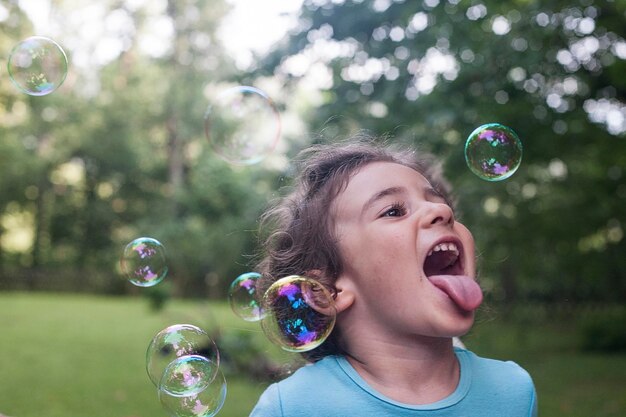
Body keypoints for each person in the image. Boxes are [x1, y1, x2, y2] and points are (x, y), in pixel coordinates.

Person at [250, 136, 537, 417]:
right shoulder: (291, 407)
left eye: (436, 200)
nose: (442, 210)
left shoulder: (513, 391)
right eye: (394, 211)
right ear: (326, 290)